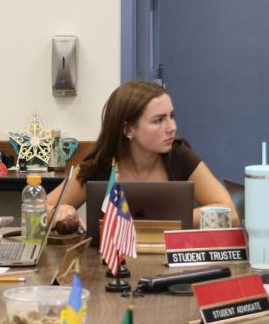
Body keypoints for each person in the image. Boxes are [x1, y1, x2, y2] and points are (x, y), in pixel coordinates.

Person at [48, 80, 237, 233]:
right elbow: (34, 211)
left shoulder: (179, 156)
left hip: (169, 267)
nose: (172, 127)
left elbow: (231, 214)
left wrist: (157, 218)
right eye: (159, 120)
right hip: (106, 269)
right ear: (128, 129)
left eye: (172, 116)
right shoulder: (100, 164)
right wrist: (60, 211)